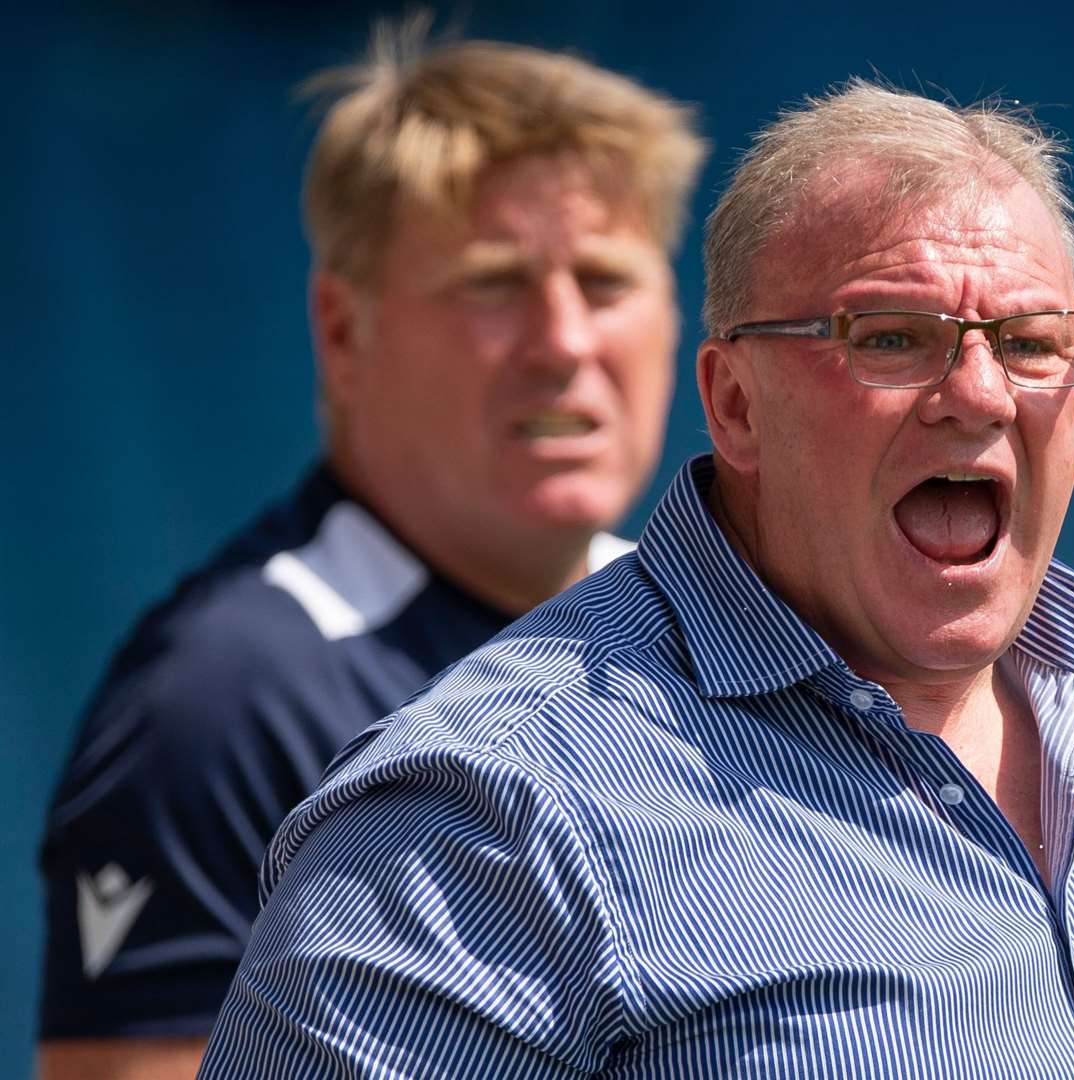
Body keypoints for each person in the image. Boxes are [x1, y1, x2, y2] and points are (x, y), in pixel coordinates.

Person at [198, 82, 1074, 1078]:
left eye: (1028, 341)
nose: (978, 393)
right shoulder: (491, 814)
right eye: (891, 338)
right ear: (733, 405)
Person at [35, 17, 705, 1079]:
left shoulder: (726, 635)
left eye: (606, 281)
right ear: (344, 332)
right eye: (493, 283)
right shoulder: (222, 699)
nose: (564, 342)